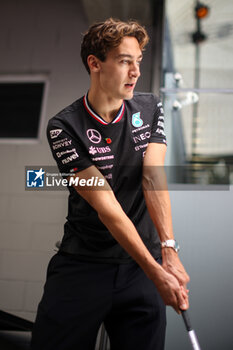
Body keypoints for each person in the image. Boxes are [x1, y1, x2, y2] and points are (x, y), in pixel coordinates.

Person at [31, 18, 189, 350]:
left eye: (139, 62)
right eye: (124, 61)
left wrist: (168, 251)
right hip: (83, 265)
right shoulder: (63, 126)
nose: (136, 72)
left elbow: (152, 176)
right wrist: (156, 271)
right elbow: (108, 208)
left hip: (139, 266)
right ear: (95, 63)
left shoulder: (149, 108)